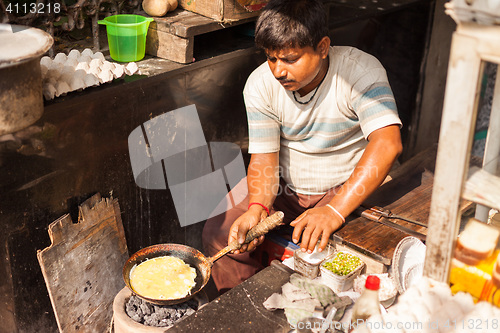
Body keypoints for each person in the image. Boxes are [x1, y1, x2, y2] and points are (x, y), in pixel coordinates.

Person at [202, 0, 402, 293]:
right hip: (286, 187)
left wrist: (334, 211)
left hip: (346, 185)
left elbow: (387, 144)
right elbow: (264, 159)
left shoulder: (360, 71)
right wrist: (258, 207)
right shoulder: (259, 85)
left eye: (290, 59)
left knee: (349, 253)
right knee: (222, 236)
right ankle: (247, 310)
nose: (278, 71)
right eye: (271, 58)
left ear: (322, 47)